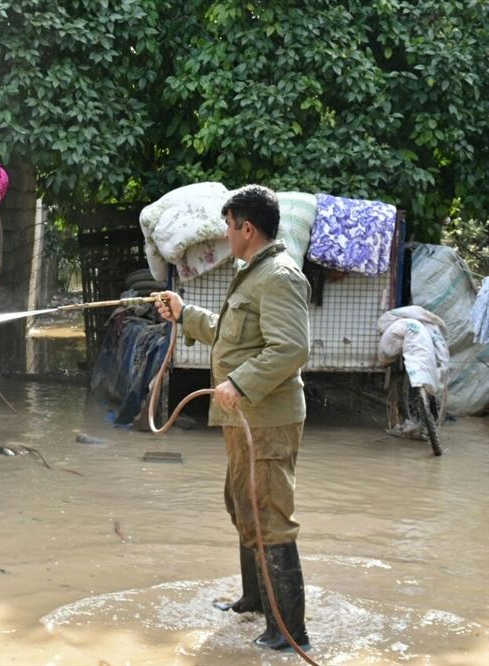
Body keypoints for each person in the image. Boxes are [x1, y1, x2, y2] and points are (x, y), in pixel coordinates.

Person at [155, 184, 311, 651]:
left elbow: (291, 348)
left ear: (247, 227)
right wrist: (184, 315)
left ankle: (290, 633)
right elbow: (231, 335)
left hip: (266, 419)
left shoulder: (279, 276)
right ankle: (254, 602)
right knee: (242, 505)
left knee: (268, 516)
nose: (225, 234)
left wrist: (240, 383)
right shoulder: (253, 274)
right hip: (247, 420)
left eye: (228, 225)